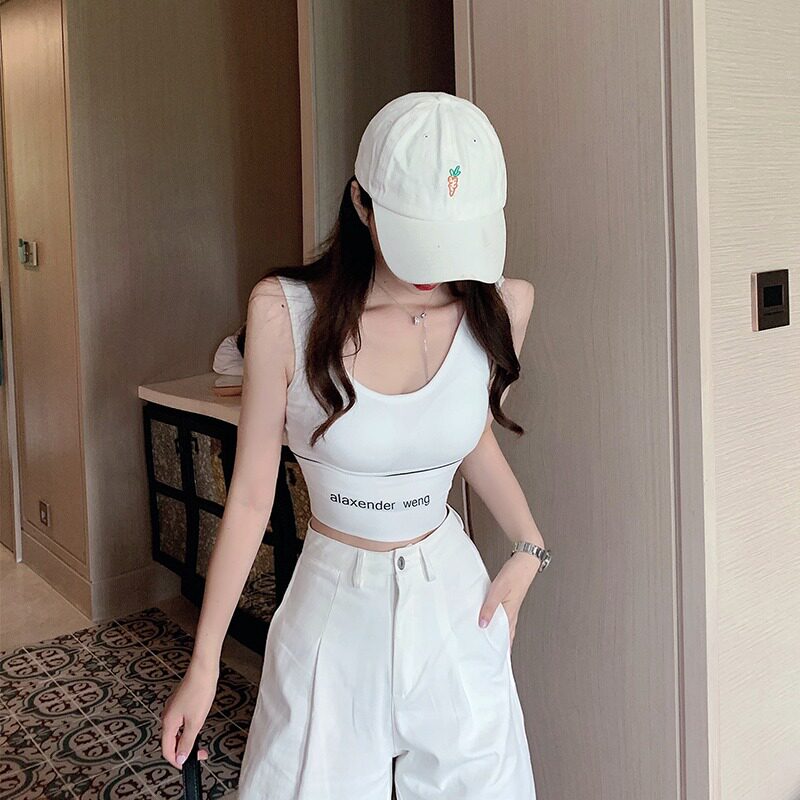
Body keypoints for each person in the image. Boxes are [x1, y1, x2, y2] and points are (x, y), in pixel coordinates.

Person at [160, 90, 551, 799]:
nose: (433, 268)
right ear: (361, 204)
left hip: (454, 605)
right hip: (334, 607)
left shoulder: (504, 304)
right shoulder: (285, 311)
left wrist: (529, 546)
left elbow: (469, 440)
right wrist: (205, 660)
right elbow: (249, 498)